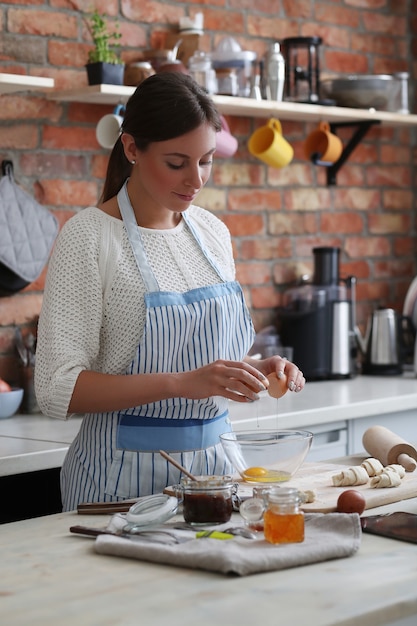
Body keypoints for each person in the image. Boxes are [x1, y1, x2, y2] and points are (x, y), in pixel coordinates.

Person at [35, 72, 305, 511]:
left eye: (207, 160)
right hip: (118, 482)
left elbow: (197, 364)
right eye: (177, 163)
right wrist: (182, 384)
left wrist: (253, 369)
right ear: (132, 148)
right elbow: (56, 389)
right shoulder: (89, 237)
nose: (196, 180)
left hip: (218, 476)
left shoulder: (214, 234)